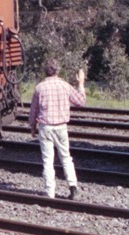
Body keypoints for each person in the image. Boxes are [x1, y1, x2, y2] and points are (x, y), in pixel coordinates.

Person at [28, 59, 87, 199]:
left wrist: (32, 127)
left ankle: (50, 193)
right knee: (66, 157)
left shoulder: (39, 88)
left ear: (45, 71)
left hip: (45, 127)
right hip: (61, 127)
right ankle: (73, 187)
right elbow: (81, 102)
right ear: (57, 71)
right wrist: (81, 84)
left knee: (48, 161)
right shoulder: (65, 86)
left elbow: (33, 111)